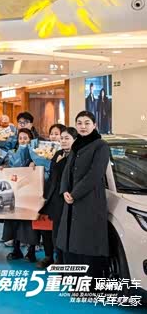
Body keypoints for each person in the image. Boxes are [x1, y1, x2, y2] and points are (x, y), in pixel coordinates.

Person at [57, 111, 110, 278]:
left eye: (87, 123)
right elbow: (67, 170)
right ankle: (74, 281)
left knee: (87, 243)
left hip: (89, 201)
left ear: (94, 125)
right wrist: (64, 190)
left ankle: (89, 284)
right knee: (70, 242)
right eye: (79, 123)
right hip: (70, 200)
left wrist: (75, 193)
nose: (83, 126)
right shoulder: (76, 144)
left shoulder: (100, 145)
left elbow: (95, 174)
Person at [38, 126, 77, 269]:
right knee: (48, 229)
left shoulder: (77, 155)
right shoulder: (58, 153)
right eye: (62, 138)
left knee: (61, 230)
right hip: (53, 197)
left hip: (66, 198)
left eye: (67, 138)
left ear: (75, 140)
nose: (63, 141)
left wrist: (60, 162)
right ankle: (51, 256)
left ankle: (61, 259)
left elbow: (68, 175)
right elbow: (53, 175)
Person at [3, 128, 39, 263]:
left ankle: (31, 251)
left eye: (25, 138)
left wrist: (35, 163)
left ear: (31, 140)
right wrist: (3, 166)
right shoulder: (12, 153)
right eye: (20, 138)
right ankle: (16, 249)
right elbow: (7, 165)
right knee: (15, 220)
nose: (23, 140)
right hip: (15, 190)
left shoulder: (36, 153)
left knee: (30, 221)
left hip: (30, 191)